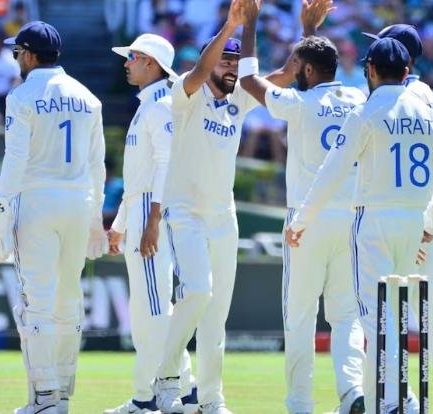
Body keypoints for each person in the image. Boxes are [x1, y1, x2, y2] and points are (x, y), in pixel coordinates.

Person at [286, 37, 433, 413]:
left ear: (370, 70)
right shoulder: (428, 112)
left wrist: (301, 220)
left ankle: (398, 403)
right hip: (414, 221)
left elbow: (331, 173)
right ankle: (399, 399)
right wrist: (431, 216)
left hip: (374, 221)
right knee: (394, 317)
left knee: (375, 317)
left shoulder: (365, 113)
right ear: (407, 72)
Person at [151, 0, 289, 412]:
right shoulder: (185, 96)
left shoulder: (239, 100)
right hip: (185, 213)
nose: (231, 69)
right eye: (225, 63)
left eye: (236, 64)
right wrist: (230, 28)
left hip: (222, 217)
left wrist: (293, 31)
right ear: (211, 62)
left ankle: (211, 399)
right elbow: (196, 73)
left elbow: (281, 76)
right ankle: (166, 379)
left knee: (216, 316)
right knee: (197, 292)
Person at [238, 1, 367, 413]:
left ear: (307, 70)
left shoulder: (299, 104)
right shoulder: (359, 98)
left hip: (306, 221)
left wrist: (252, 20)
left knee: (300, 316)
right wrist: (309, 32)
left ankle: (300, 403)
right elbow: (309, 67)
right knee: (347, 315)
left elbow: (247, 80)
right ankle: (352, 394)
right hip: (352, 221)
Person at [0, 21, 108, 414]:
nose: (15, 60)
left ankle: (45, 398)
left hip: (37, 200)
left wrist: (1, 215)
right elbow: (97, 165)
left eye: (16, 52)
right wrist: (95, 218)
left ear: (29, 54)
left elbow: (15, 159)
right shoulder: (88, 97)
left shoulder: (22, 95)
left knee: (35, 305)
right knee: (69, 300)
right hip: (78, 202)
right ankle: (60, 397)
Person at [363, 24, 433, 414]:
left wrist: (430, 221)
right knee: (426, 305)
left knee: (386, 308)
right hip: (421, 215)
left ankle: (400, 399)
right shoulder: (424, 93)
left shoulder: (397, 97)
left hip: (400, 215)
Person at [104, 33, 197, 414]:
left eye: (133, 57)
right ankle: (174, 391)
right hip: (142, 209)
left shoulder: (160, 106)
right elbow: (138, 176)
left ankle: (161, 394)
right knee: (149, 313)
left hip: (152, 212)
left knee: (154, 311)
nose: (126, 63)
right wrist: (121, 224)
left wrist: (151, 221)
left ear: (151, 63)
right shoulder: (149, 105)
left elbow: (165, 167)